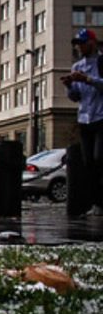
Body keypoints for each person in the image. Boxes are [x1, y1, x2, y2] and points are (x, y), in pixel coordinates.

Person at [62, 28, 103, 216]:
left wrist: (87, 79)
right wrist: (70, 85)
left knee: (99, 157)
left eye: (82, 43)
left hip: (101, 117)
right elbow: (75, 97)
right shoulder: (76, 66)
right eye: (77, 44)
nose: (79, 47)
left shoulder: (101, 62)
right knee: (88, 163)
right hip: (85, 117)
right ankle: (97, 203)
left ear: (92, 44)